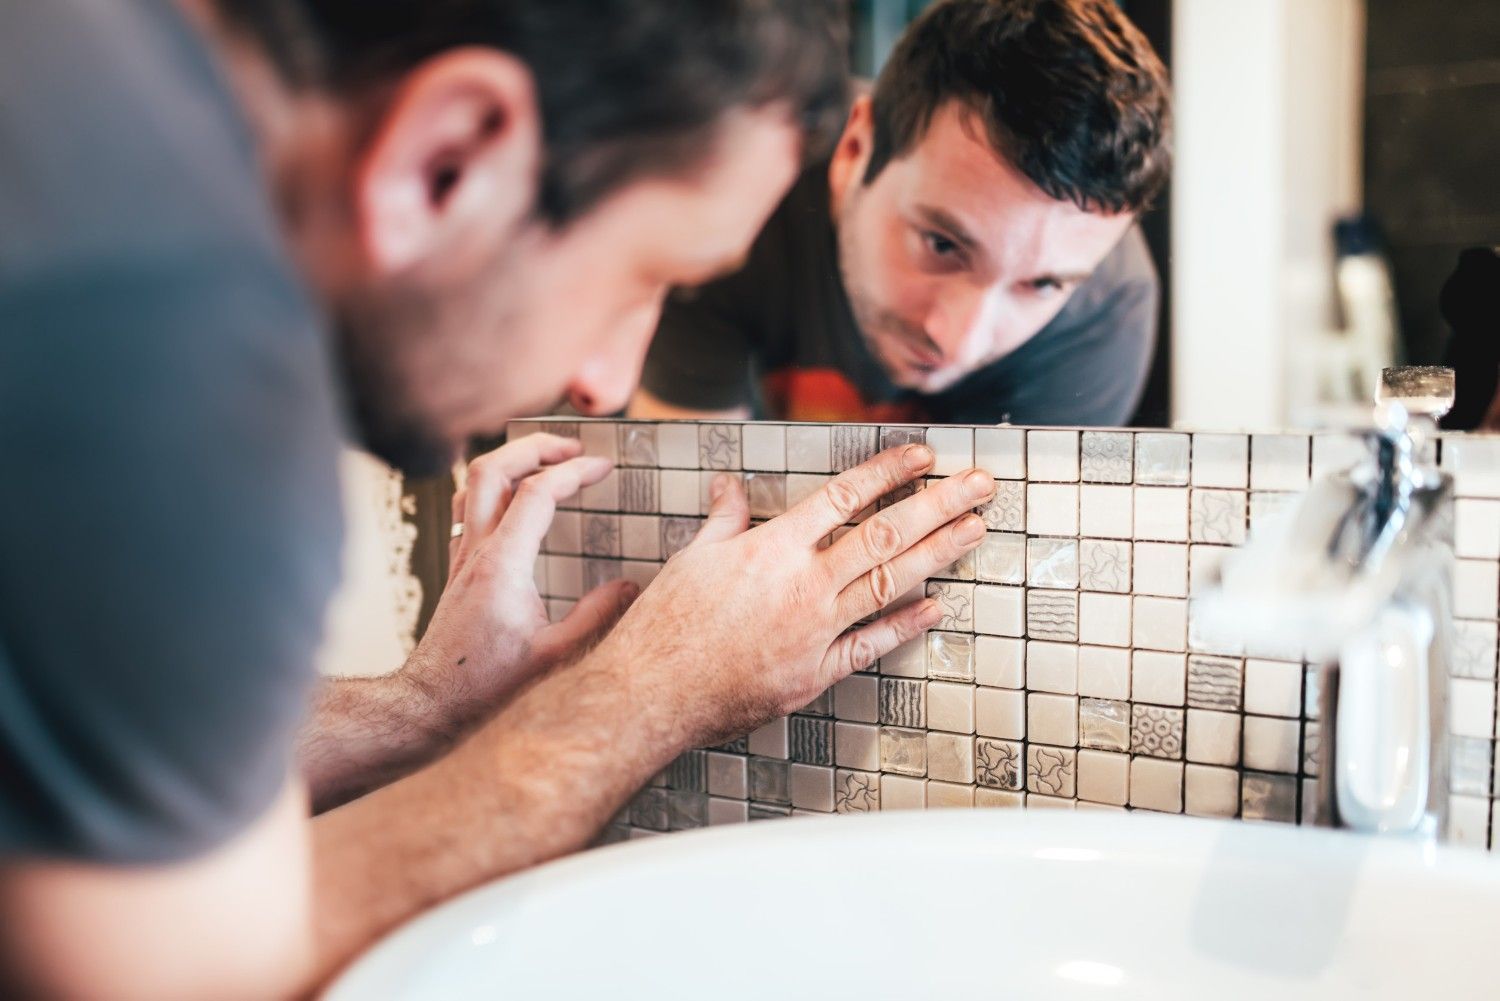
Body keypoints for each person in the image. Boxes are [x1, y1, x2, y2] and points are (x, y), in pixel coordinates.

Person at [0, 2, 997, 997]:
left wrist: (423, 707)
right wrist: (660, 691)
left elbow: (62, 774)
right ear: (448, 159)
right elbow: (193, 971)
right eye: (645, 277)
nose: (609, 380)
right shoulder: (168, 359)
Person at [632, 0, 1173, 427]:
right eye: (942, 244)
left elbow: (991, 557)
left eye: (1043, 285)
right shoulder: (740, 191)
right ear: (855, 148)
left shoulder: (1108, 306)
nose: (960, 341)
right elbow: (690, 516)